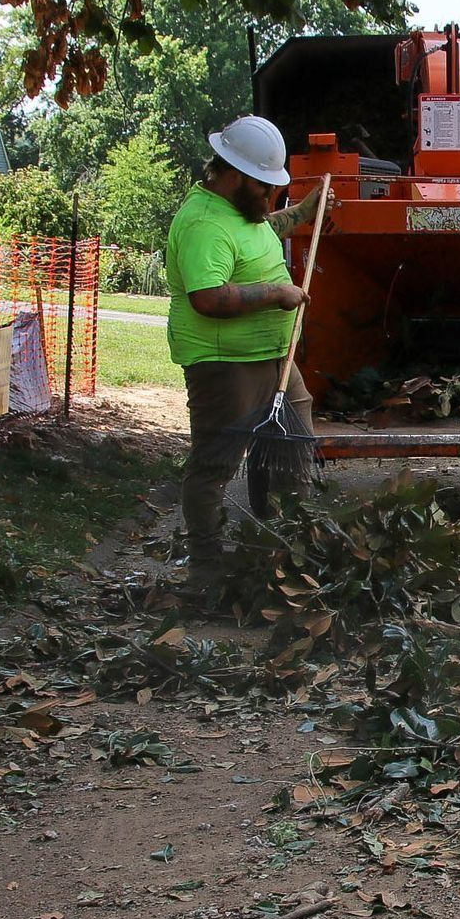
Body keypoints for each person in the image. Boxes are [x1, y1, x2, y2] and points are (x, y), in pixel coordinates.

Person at [165, 114, 322, 576]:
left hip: (276, 359)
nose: (271, 197)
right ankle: (207, 571)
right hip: (226, 366)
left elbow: (262, 229)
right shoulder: (202, 224)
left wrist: (307, 210)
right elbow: (208, 297)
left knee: (295, 453)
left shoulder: (238, 211)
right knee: (215, 466)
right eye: (264, 187)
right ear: (233, 175)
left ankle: (287, 557)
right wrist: (276, 294)